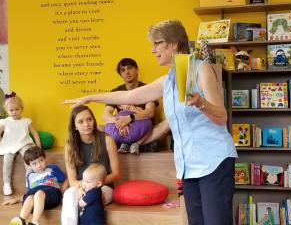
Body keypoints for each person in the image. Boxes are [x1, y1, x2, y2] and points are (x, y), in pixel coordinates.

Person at [64, 19, 238, 225]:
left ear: (174, 44)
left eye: (158, 43)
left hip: (214, 161)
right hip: (189, 166)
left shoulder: (201, 69)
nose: (153, 49)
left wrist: (201, 103)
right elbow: (130, 97)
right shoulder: (168, 80)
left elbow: (221, 116)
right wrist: (90, 97)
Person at [61, 105, 120, 225]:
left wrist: (94, 184)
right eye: (80, 122)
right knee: (68, 195)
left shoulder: (108, 140)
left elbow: (116, 174)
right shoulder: (70, 146)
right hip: (81, 186)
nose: (86, 124)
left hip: (103, 186)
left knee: (92, 197)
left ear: (94, 120)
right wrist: (82, 187)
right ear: (75, 126)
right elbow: (72, 180)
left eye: (89, 119)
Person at [102, 57, 160, 155]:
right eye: (123, 70)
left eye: (130, 68)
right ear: (120, 74)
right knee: (98, 128)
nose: (127, 72)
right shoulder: (116, 92)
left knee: (166, 125)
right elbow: (105, 115)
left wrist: (130, 118)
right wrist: (120, 123)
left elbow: (150, 113)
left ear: (137, 70)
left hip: (143, 130)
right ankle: (131, 144)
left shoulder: (147, 89)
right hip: (123, 130)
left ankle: (135, 144)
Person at [9, 146, 68, 225]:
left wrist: (61, 192)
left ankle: (34, 222)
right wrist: (18, 199)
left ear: (45, 159)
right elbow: (30, 192)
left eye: (41, 160)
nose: (39, 165)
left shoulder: (52, 168)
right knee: (30, 197)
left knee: (39, 193)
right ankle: (21, 220)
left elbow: (66, 180)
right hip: (36, 199)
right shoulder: (29, 175)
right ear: (29, 165)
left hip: (51, 195)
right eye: (34, 163)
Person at [0, 92, 41, 195]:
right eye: (11, 110)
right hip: (9, 145)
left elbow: (35, 133)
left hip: (24, 143)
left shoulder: (26, 121)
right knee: (7, 160)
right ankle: (6, 183)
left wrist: (39, 146)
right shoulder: (5, 122)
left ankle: (30, 180)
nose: (14, 112)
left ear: (22, 108)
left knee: (29, 158)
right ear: (7, 111)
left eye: (17, 109)